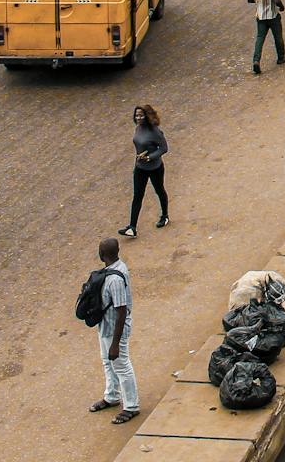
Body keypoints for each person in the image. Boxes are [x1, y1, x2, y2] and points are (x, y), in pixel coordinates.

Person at [89, 237, 138, 424]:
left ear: (101, 255)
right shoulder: (118, 268)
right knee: (107, 362)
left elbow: (121, 310)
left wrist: (116, 344)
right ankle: (111, 396)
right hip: (106, 326)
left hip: (114, 329)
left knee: (121, 365)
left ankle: (131, 406)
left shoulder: (115, 279)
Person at [119, 104, 170, 238]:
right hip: (140, 167)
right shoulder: (138, 128)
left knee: (159, 190)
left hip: (155, 168)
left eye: (141, 115)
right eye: (136, 115)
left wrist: (150, 157)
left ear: (147, 116)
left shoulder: (155, 131)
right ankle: (132, 227)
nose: (138, 118)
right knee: (137, 196)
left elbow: (164, 148)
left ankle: (165, 216)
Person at [246, 0, 285, 75]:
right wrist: (282, 7)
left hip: (260, 16)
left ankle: (256, 60)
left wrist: (259, 1)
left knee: (260, 38)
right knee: (278, 37)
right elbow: (277, 0)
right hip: (273, 15)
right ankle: (281, 57)